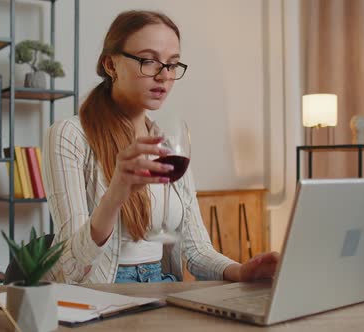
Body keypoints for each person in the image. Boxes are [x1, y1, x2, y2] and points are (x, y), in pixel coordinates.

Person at [42, 10, 279, 284]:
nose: (164, 75)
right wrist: (115, 194)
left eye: (173, 64)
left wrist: (241, 271)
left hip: (163, 285)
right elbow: (69, 268)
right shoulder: (69, 135)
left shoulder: (168, 141)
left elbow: (197, 250)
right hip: (101, 293)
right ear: (110, 64)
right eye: (149, 61)